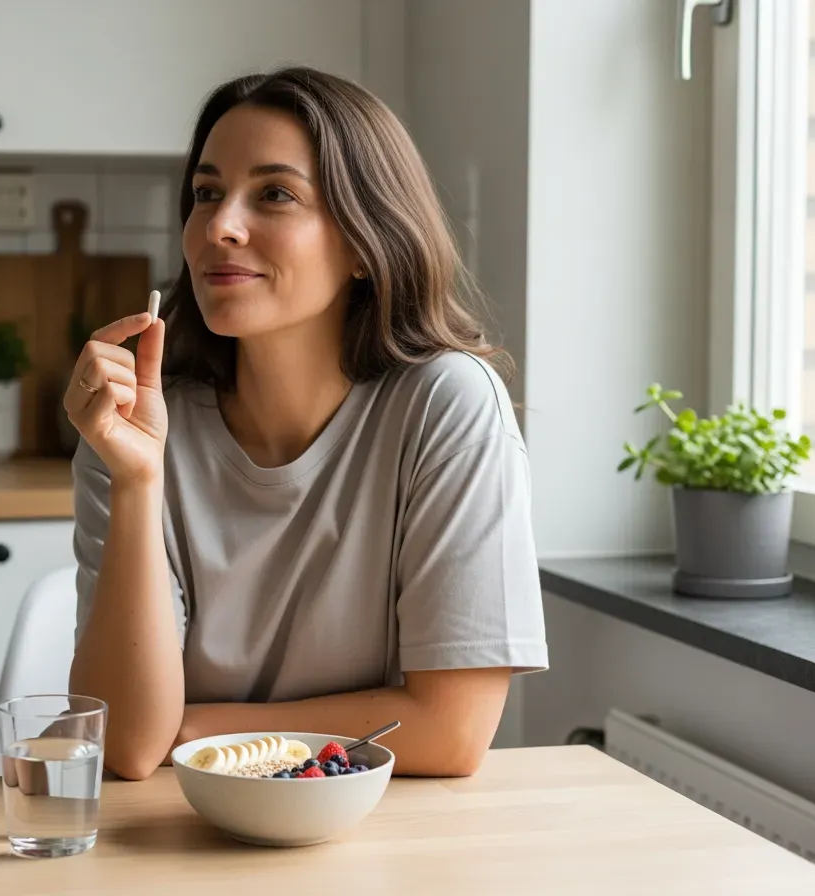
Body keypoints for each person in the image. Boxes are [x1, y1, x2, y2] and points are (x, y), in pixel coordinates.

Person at [62, 66, 547, 782]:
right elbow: (131, 746)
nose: (220, 225)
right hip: (178, 834)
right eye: (206, 194)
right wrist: (138, 480)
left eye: (275, 194)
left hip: (384, 839)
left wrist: (195, 730)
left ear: (362, 240)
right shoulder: (136, 427)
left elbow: (451, 732)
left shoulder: (446, 404)